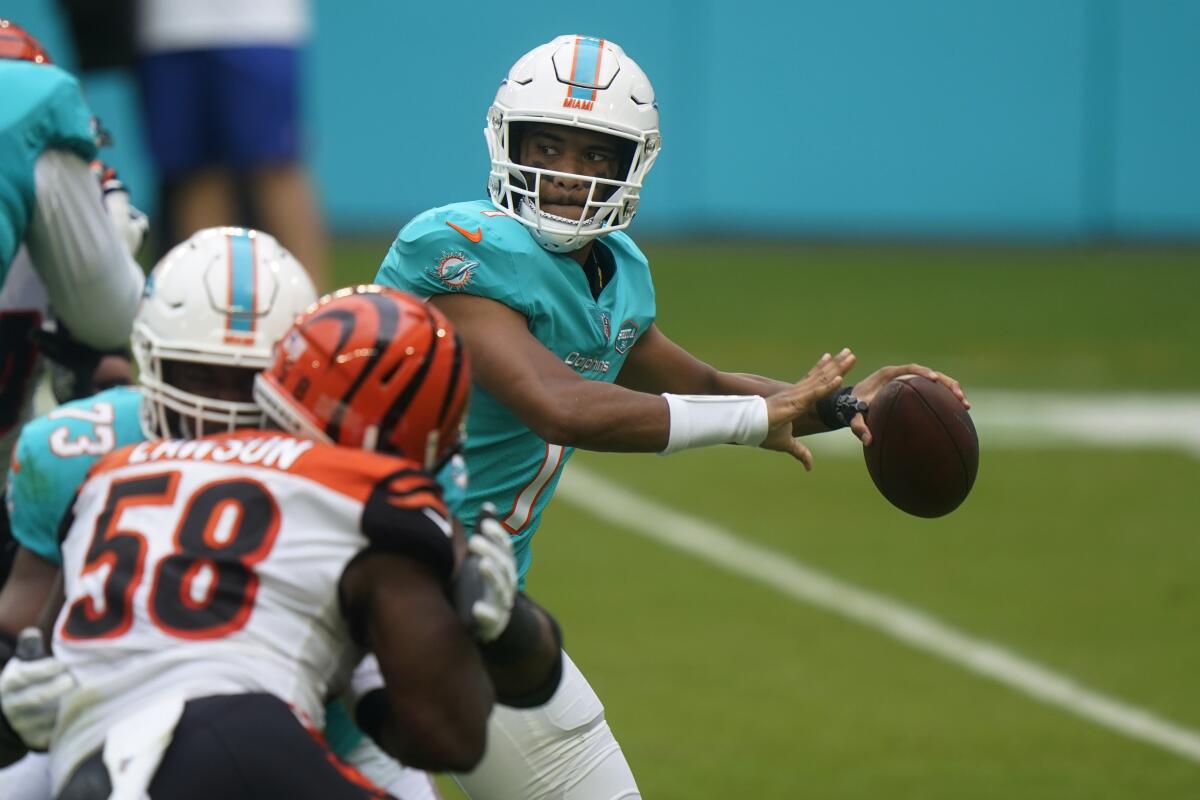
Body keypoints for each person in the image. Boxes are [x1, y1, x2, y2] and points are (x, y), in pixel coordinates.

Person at [375, 34, 971, 799]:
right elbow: (557, 405)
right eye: (547, 146)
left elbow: (709, 383)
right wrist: (756, 419)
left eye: (596, 154)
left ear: (635, 162)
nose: (567, 173)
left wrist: (853, 403)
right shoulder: (459, 251)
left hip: (479, 601)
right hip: (372, 580)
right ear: (506, 141)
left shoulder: (615, 270)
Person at [2, 286, 562, 799]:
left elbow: (38, 657)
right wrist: (497, 622)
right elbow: (450, 738)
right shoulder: (368, 493)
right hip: (238, 740)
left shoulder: (114, 471)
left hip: (92, 763)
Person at [0, 226, 317, 797]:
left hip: (303, 720)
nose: (218, 410)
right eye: (198, 375)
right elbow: (18, 627)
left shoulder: (338, 459)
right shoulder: (71, 453)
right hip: (103, 715)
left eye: (248, 384)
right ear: (149, 360)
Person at [133, 0, 329, 287]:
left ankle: (319, 312)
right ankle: (207, 310)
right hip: (168, 26)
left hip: (258, 24)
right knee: (194, 174)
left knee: (275, 166)